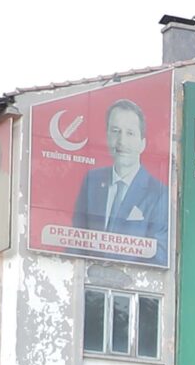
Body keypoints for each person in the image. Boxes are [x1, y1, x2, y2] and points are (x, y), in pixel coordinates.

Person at [71, 99, 169, 263]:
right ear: (107, 136)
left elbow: (159, 255)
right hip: (87, 284)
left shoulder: (158, 193)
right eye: (115, 131)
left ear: (142, 143)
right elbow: (75, 238)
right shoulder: (92, 181)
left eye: (130, 133)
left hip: (127, 284)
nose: (121, 141)